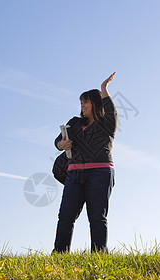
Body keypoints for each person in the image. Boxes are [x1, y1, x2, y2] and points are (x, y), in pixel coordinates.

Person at [53, 72, 118, 252]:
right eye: (80, 102)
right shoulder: (74, 123)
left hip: (100, 173)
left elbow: (111, 110)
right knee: (65, 216)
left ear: (95, 103)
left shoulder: (106, 124)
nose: (81, 106)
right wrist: (61, 144)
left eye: (85, 102)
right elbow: (58, 141)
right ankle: (59, 255)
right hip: (74, 175)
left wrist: (104, 89)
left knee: (97, 217)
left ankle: (98, 256)